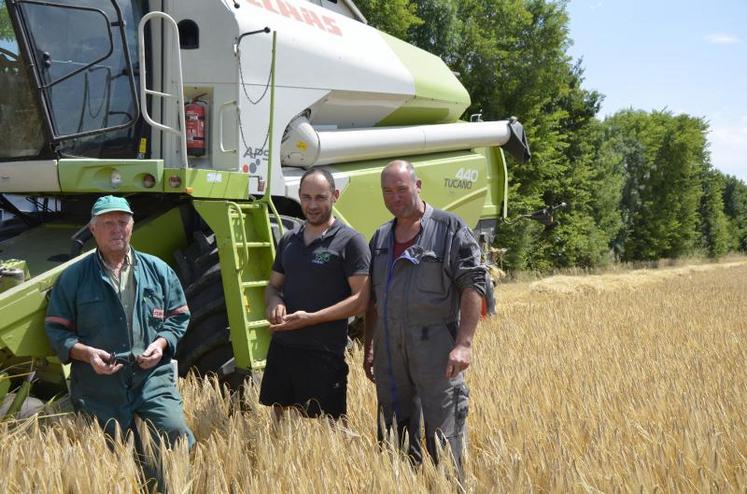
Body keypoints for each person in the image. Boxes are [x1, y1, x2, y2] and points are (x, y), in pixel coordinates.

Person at [45, 195, 194, 488]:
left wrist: (161, 344)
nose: (117, 229)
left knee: (174, 434)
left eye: (123, 222)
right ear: (93, 230)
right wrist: (87, 354)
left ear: (132, 226)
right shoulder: (74, 277)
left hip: (151, 376)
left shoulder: (158, 270)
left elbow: (178, 316)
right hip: (99, 383)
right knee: (112, 455)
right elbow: (57, 331)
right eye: (108, 223)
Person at [364, 160, 486, 479]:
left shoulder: (449, 229)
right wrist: (370, 346)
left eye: (401, 189)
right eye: (387, 191)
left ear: (417, 187)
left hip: (436, 351)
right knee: (394, 438)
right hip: (390, 352)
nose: (394, 197)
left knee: (444, 438)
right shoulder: (379, 239)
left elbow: (474, 284)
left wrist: (464, 343)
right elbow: (373, 301)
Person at [260, 168, 370, 421]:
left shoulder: (351, 242)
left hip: (324, 352)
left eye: (320, 197)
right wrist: (275, 302)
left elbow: (360, 300)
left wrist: (311, 318)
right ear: (299, 196)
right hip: (283, 347)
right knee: (280, 424)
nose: (312, 205)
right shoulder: (289, 239)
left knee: (327, 430)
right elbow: (273, 286)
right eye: (306, 197)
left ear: (335, 196)